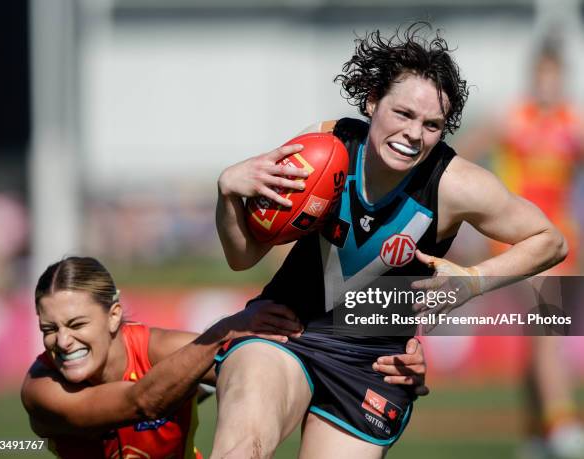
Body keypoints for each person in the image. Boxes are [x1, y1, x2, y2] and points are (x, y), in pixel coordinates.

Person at [213, 23, 568, 459]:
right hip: (284, 335)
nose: (415, 134)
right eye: (403, 114)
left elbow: (549, 240)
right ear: (372, 100)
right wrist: (228, 193)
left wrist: (472, 281)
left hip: (376, 368)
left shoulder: (454, 185)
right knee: (241, 450)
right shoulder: (325, 146)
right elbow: (242, 256)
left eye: (432, 124)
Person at [21, 256, 429, 458]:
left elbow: (292, 375)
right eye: (49, 329)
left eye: (77, 324)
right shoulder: (42, 390)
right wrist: (225, 331)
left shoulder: (160, 349)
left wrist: (385, 369)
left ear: (112, 315)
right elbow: (142, 400)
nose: (63, 341)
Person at [456, 41, 584, 459]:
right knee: (548, 333)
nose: (548, 85)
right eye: (542, 76)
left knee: (540, 337)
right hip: (517, 242)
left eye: (554, 77)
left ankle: (538, 435)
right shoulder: (513, 118)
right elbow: (463, 156)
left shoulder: (573, 123)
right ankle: (564, 429)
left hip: (561, 243)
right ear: (534, 77)